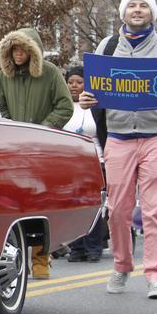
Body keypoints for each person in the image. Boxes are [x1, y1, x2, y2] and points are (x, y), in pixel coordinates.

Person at [79, 0, 157, 300]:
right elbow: (94, 92)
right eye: (132, 4)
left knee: (154, 209)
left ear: (151, 14)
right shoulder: (108, 47)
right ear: (123, 12)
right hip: (118, 137)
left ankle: (155, 275)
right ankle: (122, 265)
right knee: (118, 209)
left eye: (143, 5)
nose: (137, 9)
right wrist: (86, 99)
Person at [0, 27, 74, 279]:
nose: (17, 54)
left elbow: (65, 105)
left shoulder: (50, 72)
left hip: (42, 148)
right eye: (13, 50)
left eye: (22, 49)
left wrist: (44, 128)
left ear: (32, 51)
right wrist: (11, 127)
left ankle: (41, 258)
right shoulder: (4, 76)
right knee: (15, 204)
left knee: (42, 204)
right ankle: (13, 256)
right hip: (15, 149)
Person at [62, 65, 104, 262]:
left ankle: (93, 246)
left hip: (95, 160)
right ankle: (76, 247)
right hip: (69, 162)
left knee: (92, 205)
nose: (74, 86)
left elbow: (102, 132)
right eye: (70, 82)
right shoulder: (63, 106)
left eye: (79, 82)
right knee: (73, 206)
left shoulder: (95, 106)